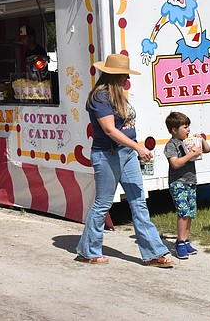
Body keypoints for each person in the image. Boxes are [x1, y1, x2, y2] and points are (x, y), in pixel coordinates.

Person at [76, 54, 174, 267]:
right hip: (108, 154)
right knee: (103, 203)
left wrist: (135, 148)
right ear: (115, 75)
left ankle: (153, 254)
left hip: (127, 154)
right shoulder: (100, 97)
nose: (126, 79)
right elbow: (109, 130)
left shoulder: (117, 93)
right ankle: (89, 251)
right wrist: (138, 147)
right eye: (124, 75)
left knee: (139, 201)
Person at [164, 111, 210, 259]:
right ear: (174, 130)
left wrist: (201, 140)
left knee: (189, 213)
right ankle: (180, 242)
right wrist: (191, 154)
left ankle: (185, 239)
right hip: (178, 183)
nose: (188, 130)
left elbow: (207, 150)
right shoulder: (171, 145)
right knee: (183, 212)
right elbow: (175, 163)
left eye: (189, 126)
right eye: (185, 127)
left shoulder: (189, 141)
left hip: (191, 181)